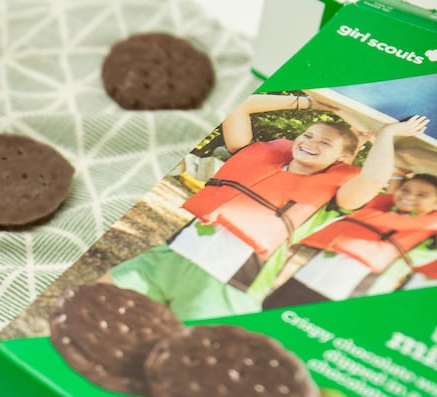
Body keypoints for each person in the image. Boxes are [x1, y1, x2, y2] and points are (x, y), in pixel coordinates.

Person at [103, 91, 430, 321]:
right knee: (95, 302)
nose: (310, 143)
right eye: (308, 135)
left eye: (324, 143)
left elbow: (373, 179)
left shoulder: (336, 198)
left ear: (343, 158)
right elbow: (240, 106)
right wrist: (307, 102)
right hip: (170, 258)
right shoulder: (257, 157)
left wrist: (387, 135)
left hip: (227, 285)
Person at [263, 173, 437, 308]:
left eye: (422, 195)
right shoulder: (377, 209)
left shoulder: (428, 239)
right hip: (303, 279)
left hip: (346, 297)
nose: (410, 196)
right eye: (405, 189)